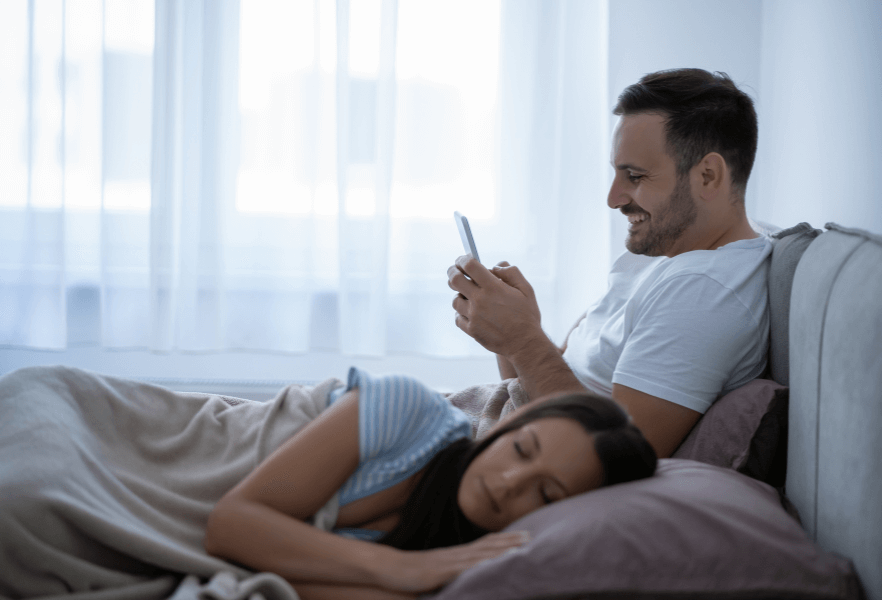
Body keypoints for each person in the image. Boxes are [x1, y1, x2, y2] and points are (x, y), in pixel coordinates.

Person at [448, 68, 772, 458]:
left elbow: (614, 455)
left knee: (374, 410)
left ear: (707, 176)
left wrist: (522, 337)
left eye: (634, 176)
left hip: (501, 450)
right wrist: (512, 332)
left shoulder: (706, 291)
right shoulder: (660, 254)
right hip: (497, 422)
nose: (614, 198)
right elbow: (537, 395)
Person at [205, 368, 656, 599]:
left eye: (545, 494)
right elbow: (230, 525)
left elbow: (268, 572)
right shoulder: (409, 410)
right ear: (504, 427)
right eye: (521, 449)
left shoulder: (454, 570)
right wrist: (400, 569)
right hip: (161, 447)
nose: (508, 483)